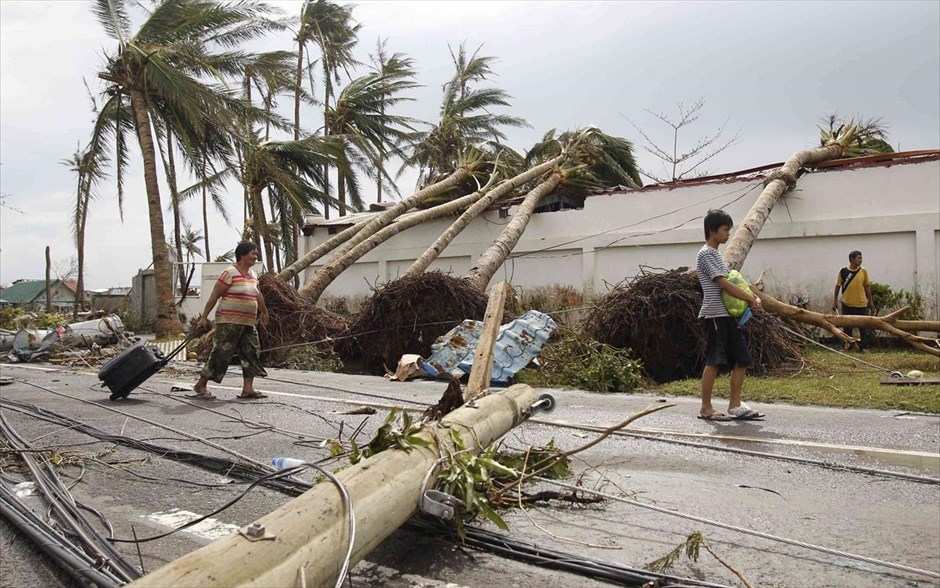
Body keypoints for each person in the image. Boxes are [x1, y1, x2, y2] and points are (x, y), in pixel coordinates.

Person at [695, 209, 764, 421]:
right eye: (725, 230)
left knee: (742, 359)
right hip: (714, 315)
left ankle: (735, 405)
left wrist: (753, 297)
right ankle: (706, 408)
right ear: (712, 231)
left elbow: (735, 282)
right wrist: (750, 299)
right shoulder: (706, 254)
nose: (728, 234)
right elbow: (723, 283)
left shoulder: (717, 255)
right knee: (714, 360)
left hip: (728, 316)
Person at [193, 241, 270, 400]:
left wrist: (264, 312)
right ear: (242, 255)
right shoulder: (229, 272)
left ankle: (247, 389)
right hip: (228, 321)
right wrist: (203, 317)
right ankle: (201, 385)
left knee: (251, 352)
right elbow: (214, 296)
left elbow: (258, 295)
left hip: (248, 322)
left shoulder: (253, 275)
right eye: (253, 253)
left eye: (256, 254)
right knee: (221, 353)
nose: (256, 257)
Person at [832, 250, 875, 351]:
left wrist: (871, 301)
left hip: (861, 304)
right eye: (859, 258)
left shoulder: (863, 271)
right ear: (852, 259)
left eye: (861, 258)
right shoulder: (843, 271)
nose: (861, 260)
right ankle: (847, 346)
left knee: (863, 327)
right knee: (847, 327)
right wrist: (835, 301)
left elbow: (867, 286)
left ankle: (863, 347)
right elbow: (838, 286)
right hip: (847, 303)